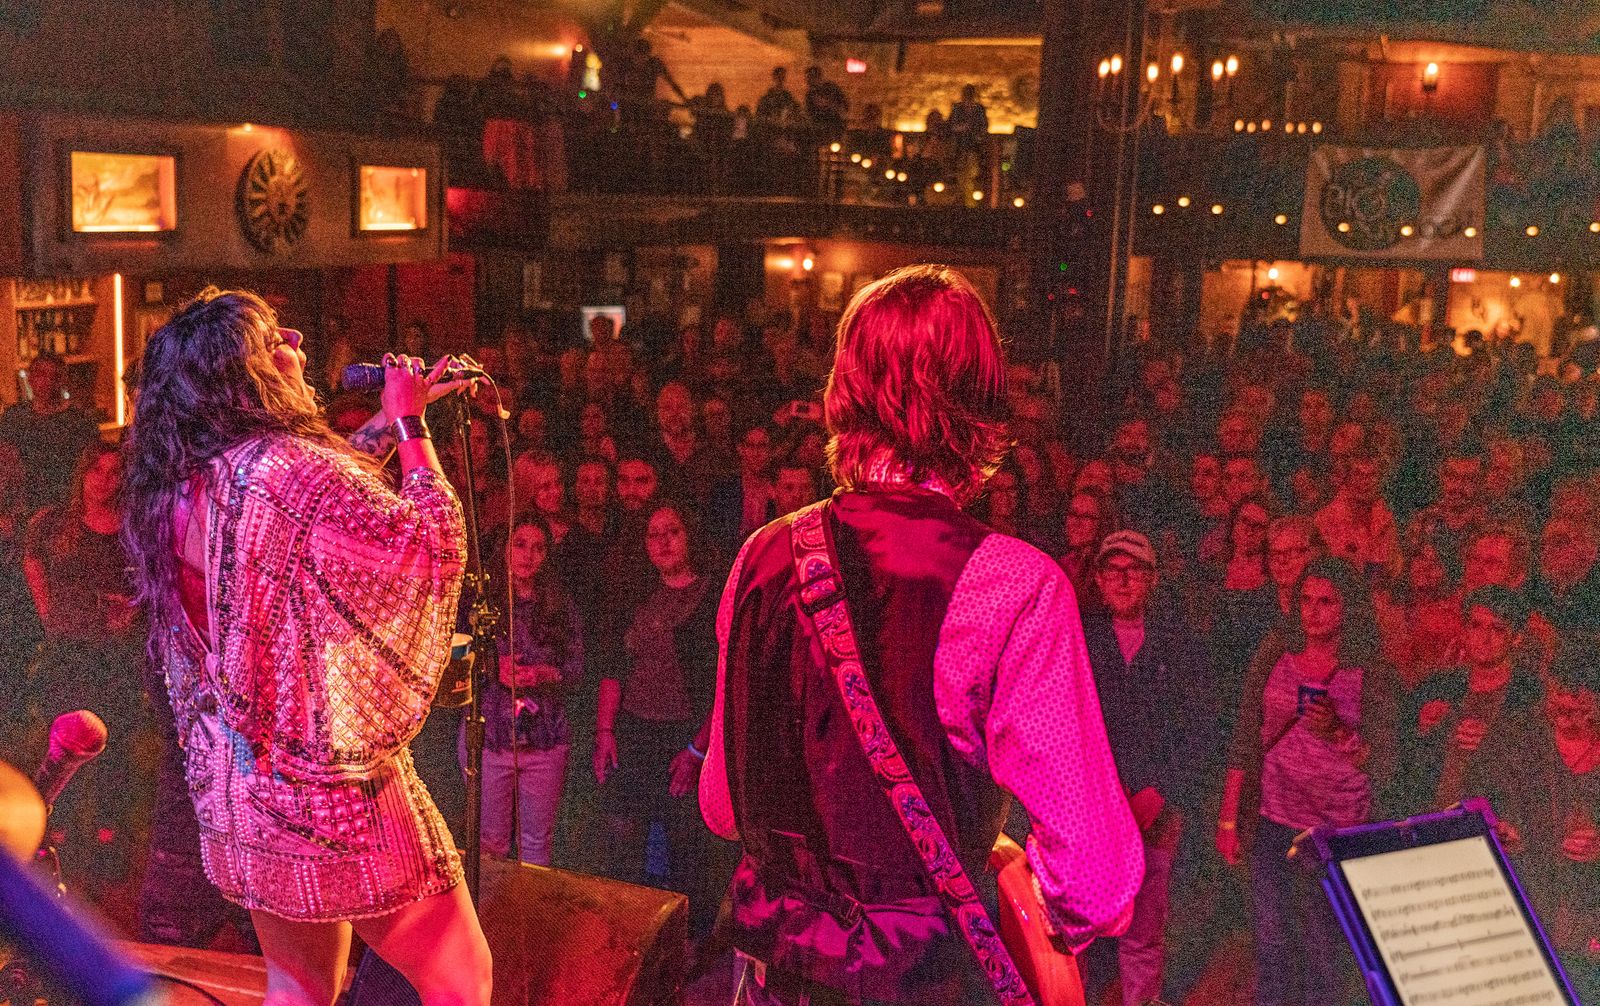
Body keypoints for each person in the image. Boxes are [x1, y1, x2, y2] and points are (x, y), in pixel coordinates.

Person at [699, 265, 1142, 1004]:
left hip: (772, 980)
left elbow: (721, 807)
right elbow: (1094, 881)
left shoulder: (762, 556)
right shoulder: (1014, 583)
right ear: (981, 401)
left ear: (843, 390)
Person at [121, 289, 491, 1006]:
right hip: (328, 793)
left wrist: (385, 420)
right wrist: (411, 424)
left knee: (300, 987)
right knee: (460, 976)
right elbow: (429, 542)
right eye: (272, 337)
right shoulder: (287, 469)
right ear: (239, 373)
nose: (293, 336)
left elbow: (315, 498)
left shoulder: (187, 482)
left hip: (243, 787)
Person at [1217, 557, 1399, 1006]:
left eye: (1327, 602)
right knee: (1270, 936)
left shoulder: (1367, 669)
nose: (1313, 611)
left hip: (1334, 823)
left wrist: (1338, 733)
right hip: (1273, 814)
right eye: (1306, 600)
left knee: (1323, 944)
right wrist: (1229, 816)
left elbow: (1387, 762)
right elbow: (1247, 734)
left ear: (1348, 607)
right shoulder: (1277, 652)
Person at [1081, 530, 1211, 1006]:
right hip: (1095, 805)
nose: (1122, 579)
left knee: (1144, 924)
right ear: (1098, 579)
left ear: (1152, 579)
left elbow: (1197, 728)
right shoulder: (1083, 641)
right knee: (1084, 918)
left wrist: (1161, 791)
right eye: (1112, 569)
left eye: (1132, 569)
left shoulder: (1180, 645)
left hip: (1156, 807)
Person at [594, 500, 720, 926]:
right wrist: (605, 731)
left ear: (690, 536)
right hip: (633, 731)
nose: (663, 542)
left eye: (673, 532)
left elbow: (721, 682)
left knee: (687, 848)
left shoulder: (712, 595)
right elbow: (614, 666)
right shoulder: (635, 593)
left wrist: (698, 750)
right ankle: (627, 932)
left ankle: (688, 940)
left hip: (685, 735)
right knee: (622, 840)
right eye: (654, 534)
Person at [469, 515, 583, 866]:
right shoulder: (483, 605)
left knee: (535, 843)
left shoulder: (560, 605)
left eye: (538, 548)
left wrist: (547, 674)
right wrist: (494, 667)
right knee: (490, 843)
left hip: (543, 739)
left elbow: (577, 669)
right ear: (504, 548)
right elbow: (454, 660)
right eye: (519, 545)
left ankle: (530, 903)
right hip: (493, 736)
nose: (528, 555)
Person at [0, 353, 101, 509]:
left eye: (55, 376)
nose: (47, 381)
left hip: (66, 505)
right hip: (23, 507)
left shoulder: (80, 421)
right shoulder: (14, 417)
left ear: (63, 379)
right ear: (31, 378)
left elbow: (88, 466)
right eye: (41, 374)